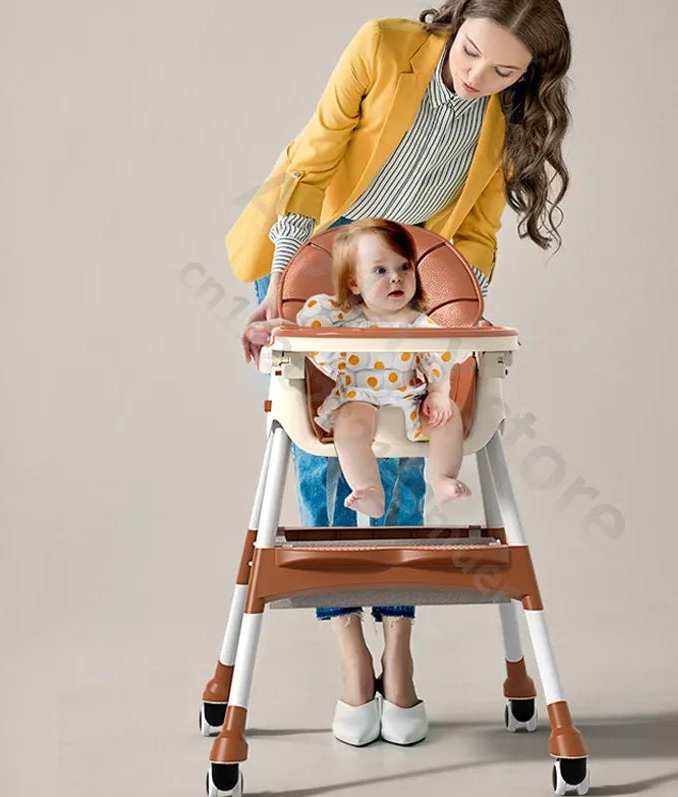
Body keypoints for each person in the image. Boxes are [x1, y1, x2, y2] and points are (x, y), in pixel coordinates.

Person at [228, 0, 573, 745]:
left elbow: (474, 233)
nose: (480, 77)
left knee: (414, 446)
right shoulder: (385, 47)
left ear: (530, 75)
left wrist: (454, 313)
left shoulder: (501, 122)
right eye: (472, 53)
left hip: (404, 296)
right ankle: (351, 650)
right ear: (457, 25)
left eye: (506, 70)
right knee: (328, 461)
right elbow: (313, 161)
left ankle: (399, 645)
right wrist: (285, 294)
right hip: (312, 271)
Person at [250, 219, 472, 516]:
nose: (396, 278)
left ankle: (443, 477)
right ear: (354, 282)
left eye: (405, 267)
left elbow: (438, 363)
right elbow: (303, 335)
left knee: (448, 417)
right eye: (380, 270)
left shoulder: (419, 323)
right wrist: (274, 327)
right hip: (358, 398)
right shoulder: (342, 318)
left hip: (411, 400)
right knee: (350, 426)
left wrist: (438, 394)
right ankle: (368, 487)